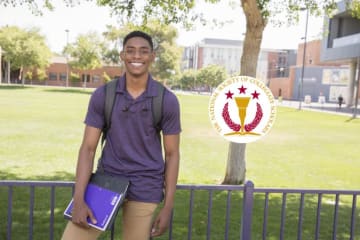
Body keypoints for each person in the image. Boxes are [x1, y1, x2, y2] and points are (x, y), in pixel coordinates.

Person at [61, 30, 181, 240]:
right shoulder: (103, 95)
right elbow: (87, 149)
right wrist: (78, 199)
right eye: (131, 51)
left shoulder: (167, 100)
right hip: (106, 181)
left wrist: (168, 207)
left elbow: (172, 155)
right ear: (122, 55)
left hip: (146, 186)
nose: (137, 56)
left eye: (143, 51)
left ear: (152, 56)